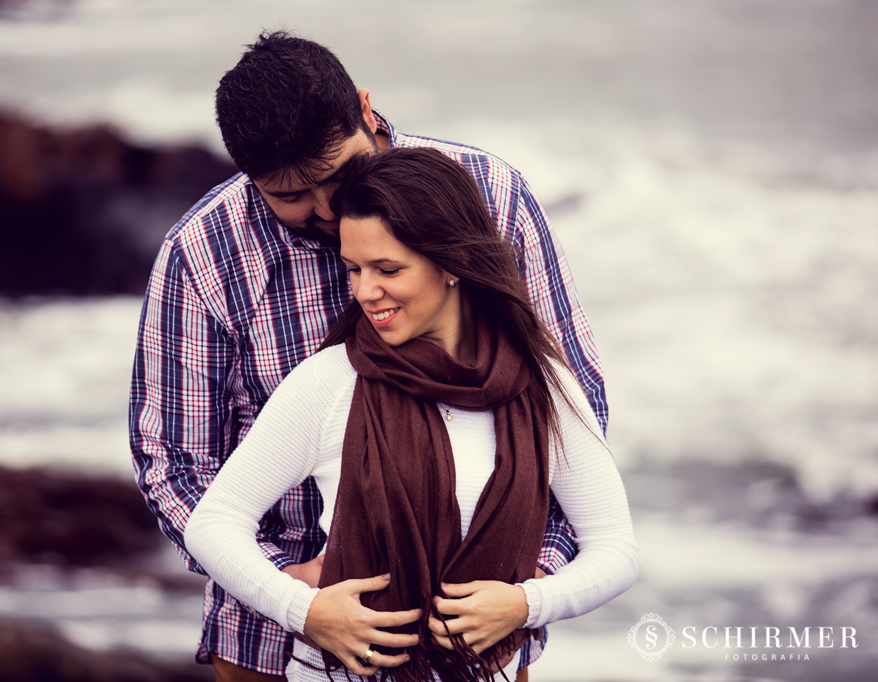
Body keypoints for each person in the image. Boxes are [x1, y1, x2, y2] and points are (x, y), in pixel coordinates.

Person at [129, 31, 607, 682]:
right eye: (290, 196)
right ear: (247, 174)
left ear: (364, 107)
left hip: (480, 631)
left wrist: (526, 575)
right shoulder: (202, 255)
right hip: (268, 636)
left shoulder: (490, 195)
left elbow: (569, 405)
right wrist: (288, 591)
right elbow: (173, 463)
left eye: (336, 176)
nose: (327, 211)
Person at [186, 147, 639, 682]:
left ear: (450, 264)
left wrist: (526, 604)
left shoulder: (541, 385)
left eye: (388, 269)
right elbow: (213, 524)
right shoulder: (333, 381)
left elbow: (615, 549)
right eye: (354, 269)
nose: (365, 292)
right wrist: (303, 610)